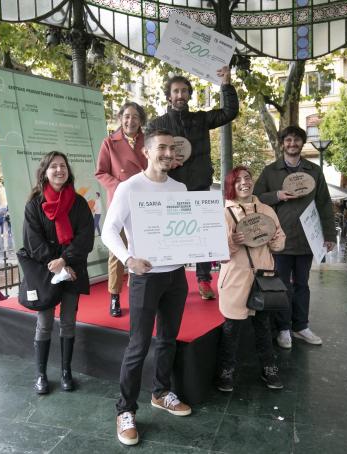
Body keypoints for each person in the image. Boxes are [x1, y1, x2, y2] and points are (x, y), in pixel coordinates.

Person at [102, 129, 191, 446]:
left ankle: (161, 392)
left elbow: (187, 231)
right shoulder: (129, 187)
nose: (168, 153)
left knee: (168, 339)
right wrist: (128, 259)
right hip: (145, 277)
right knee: (138, 346)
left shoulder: (180, 188)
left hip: (176, 275)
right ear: (147, 152)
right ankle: (124, 411)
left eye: (172, 148)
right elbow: (108, 231)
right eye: (162, 148)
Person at [148, 67, 239, 301]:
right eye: (176, 91)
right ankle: (171, 280)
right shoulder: (158, 123)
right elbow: (149, 148)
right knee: (170, 233)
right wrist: (166, 160)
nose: (180, 95)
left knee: (202, 234)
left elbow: (230, 111)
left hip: (199, 184)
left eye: (184, 91)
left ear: (189, 95)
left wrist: (226, 83)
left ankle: (204, 280)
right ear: (169, 96)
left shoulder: (201, 119)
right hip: (170, 185)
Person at [253, 125, 336, 349]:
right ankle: (283, 329)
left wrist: (329, 235)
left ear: (302, 143)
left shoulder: (314, 171)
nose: (292, 144)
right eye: (288, 140)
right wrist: (277, 195)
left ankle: (301, 326)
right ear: (282, 144)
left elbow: (325, 204)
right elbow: (256, 198)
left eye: (296, 140)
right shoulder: (271, 171)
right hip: (280, 239)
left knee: (302, 285)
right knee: (282, 286)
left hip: (308, 239)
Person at [23, 151, 94, 394]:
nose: (59, 170)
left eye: (62, 166)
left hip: (72, 270)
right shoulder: (34, 205)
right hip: (46, 273)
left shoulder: (79, 203)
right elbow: (32, 242)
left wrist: (65, 260)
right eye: (53, 166)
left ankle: (66, 372)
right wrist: (55, 263)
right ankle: (41, 375)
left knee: (68, 322)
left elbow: (86, 238)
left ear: (68, 171)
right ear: (44, 172)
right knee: (44, 324)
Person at [216, 166, 286, 393]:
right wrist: (234, 241)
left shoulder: (266, 210)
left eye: (247, 178)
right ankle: (226, 372)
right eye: (238, 180)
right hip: (235, 279)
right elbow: (217, 253)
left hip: (263, 278)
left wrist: (275, 238)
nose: (244, 183)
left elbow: (279, 243)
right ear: (231, 185)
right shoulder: (223, 214)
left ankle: (270, 369)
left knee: (264, 327)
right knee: (231, 329)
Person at [95, 102, 148, 317]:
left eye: (135, 117)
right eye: (127, 116)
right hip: (120, 202)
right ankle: (114, 296)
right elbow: (100, 173)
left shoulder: (148, 141)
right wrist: (121, 187)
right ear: (120, 118)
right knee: (117, 252)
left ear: (141, 121)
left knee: (146, 247)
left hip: (146, 202)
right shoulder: (109, 142)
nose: (130, 121)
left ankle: (145, 292)